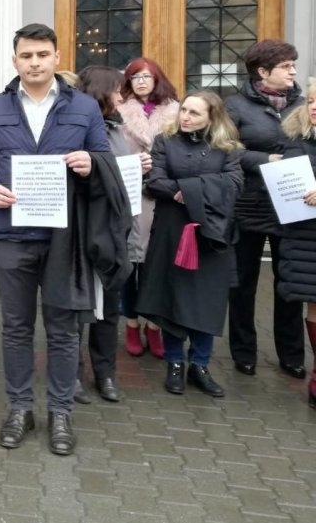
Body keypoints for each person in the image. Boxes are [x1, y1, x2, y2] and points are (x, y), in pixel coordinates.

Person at [0, 23, 110, 456]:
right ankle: (20, 407)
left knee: (64, 330)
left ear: (56, 57)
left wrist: (91, 162)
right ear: (15, 60)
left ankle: (61, 412)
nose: (34, 63)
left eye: (42, 55)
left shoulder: (84, 107)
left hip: (65, 236)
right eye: (26, 56)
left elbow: (104, 157)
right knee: (15, 327)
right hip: (11, 234)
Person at [137, 91, 243, 398]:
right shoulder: (165, 141)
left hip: (212, 232)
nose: (185, 117)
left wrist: (186, 191)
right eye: (184, 110)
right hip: (172, 230)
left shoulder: (228, 148)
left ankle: (200, 364)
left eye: (195, 113)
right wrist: (188, 192)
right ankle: (174, 363)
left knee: (206, 299)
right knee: (174, 296)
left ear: (213, 117)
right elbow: (155, 181)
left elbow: (234, 184)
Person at [225, 40, 307, 379]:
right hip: (248, 205)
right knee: (243, 284)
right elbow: (225, 149)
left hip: (291, 206)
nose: (293, 72)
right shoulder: (236, 106)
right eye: (286, 66)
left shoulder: (304, 105)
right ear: (263, 72)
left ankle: (291, 354)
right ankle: (244, 352)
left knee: (289, 284)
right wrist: (265, 160)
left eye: (293, 66)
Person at [73, 66, 151, 404]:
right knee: (75, 306)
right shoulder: (75, 127)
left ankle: (105, 373)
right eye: (118, 90)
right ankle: (71, 373)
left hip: (115, 229)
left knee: (109, 307)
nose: (122, 96)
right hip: (81, 228)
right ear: (103, 92)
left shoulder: (119, 128)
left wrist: (139, 167)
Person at [116, 57, 180, 359]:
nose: (141, 81)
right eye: (135, 77)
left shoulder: (176, 111)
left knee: (160, 266)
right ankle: (130, 323)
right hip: (131, 195)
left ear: (157, 79)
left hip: (165, 196)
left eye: (147, 76)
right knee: (131, 264)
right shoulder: (119, 110)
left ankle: (153, 326)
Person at [278, 82, 316, 407]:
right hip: (306, 236)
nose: (314, 107)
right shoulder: (295, 140)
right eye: (313, 101)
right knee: (314, 304)